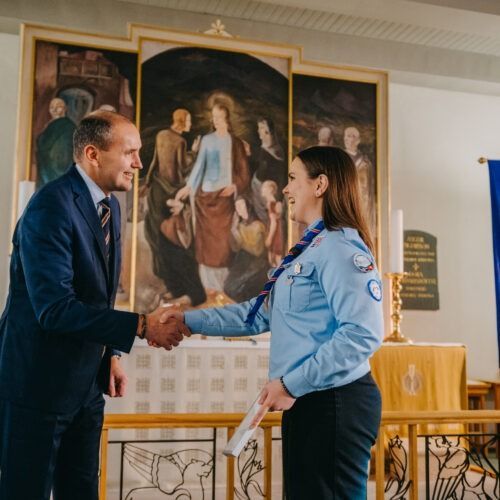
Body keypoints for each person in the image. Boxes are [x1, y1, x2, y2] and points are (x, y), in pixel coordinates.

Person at [163, 146, 383, 499]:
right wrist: (187, 319)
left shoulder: (341, 249)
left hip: (335, 402)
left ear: (320, 185)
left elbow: (361, 335)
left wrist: (290, 384)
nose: (285, 188)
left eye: (293, 178)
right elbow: (257, 314)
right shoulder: (311, 247)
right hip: (308, 397)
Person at [0, 110, 189, 500]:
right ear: (93, 154)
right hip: (37, 386)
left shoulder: (111, 207)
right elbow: (54, 309)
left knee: (82, 490)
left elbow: (98, 296)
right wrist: (141, 325)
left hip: (87, 385)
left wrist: (111, 354)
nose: (139, 163)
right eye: (130, 152)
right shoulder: (50, 207)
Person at [175, 103, 250, 292]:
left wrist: (234, 186)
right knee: (206, 246)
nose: (215, 121)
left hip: (224, 200)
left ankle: (221, 290)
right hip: (205, 199)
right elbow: (199, 166)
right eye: (214, 117)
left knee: (223, 247)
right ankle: (208, 289)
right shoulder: (207, 140)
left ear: (226, 119)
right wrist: (189, 187)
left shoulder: (236, 143)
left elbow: (244, 173)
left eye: (219, 117)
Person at [142, 108, 205, 306]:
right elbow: (183, 168)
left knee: (159, 240)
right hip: (171, 193)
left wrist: (148, 182)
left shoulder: (161, 135)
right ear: (181, 120)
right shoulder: (180, 141)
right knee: (176, 242)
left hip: (156, 191)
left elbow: (155, 161)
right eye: (189, 120)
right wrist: (194, 153)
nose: (190, 124)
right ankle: (184, 290)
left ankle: (175, 287)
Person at [224, 197, 269, 302]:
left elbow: (257, 250)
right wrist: (234, 230)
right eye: (237, 207)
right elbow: (236, 248)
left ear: (248, 207)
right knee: (228, 287)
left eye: (241, 205)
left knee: (237, 289)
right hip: (242, 261)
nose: (239, 209)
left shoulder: (258, 226)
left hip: (256, 264)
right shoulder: (240, 225)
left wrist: (239, 237)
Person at [36, 97, 76, 187]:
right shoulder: (50, 124)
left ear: (65, 108)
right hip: (46, 167)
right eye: (52, 107)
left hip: (58, 167)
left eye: (58, 106)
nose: (54, 109)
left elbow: (66, 150)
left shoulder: (68, 125)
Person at [343, 125, 376, 233]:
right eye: (347, 136)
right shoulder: (338, 160)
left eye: (352, 136)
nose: (348, 139)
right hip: (344, 206)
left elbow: (369, 191)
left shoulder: (366, 163)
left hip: (362, 206)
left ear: (358, 140)